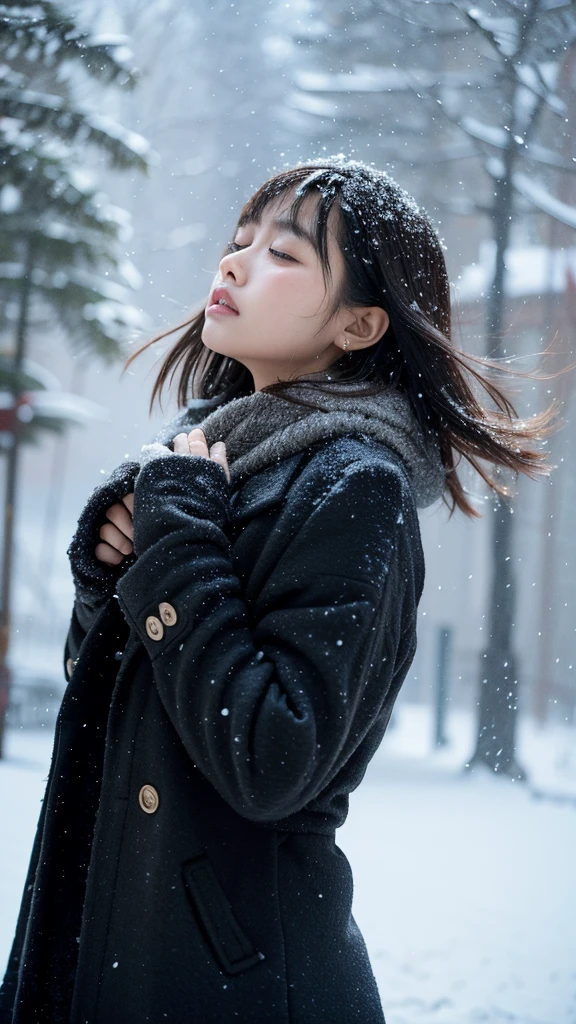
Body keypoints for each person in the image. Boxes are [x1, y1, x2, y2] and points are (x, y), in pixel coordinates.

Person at [0, 158, 557, 1024]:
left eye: (283, 254)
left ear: (361, 323)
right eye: (238, 242)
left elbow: (272, 760)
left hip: (229, 972)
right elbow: (117, 700)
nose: (233, 263)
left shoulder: (353, 488)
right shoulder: (199, 455)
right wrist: (106, 579)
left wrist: (179, 545)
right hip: (105, 929)